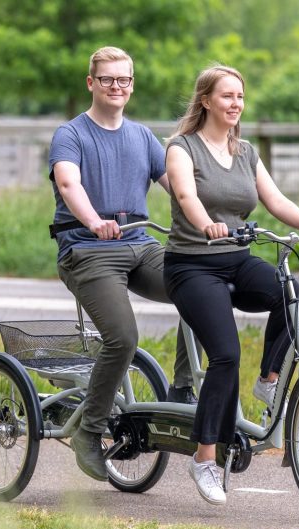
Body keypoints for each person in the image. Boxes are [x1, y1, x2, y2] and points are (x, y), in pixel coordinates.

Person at [163, 65, 299, 505]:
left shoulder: (245, 152)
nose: (236, 103)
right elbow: (186, 197)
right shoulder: (182, 149)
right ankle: (204, 459)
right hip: (192, 265)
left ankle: (270, 377)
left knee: (288, 291)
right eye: (227, 96)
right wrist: (207, 225)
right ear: (206, 100)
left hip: (236, 259)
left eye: (240, 96)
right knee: (225, 355)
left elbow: (275, 200)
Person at [48, 46, 198, 482]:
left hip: (138, 245)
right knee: (123, 337)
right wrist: (95, 221)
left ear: (132, 84)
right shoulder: (70, 134)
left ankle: (184, 388)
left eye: (125, 80)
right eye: (109, 79)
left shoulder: (143, 137)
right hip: (87, 250)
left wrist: (211, 220)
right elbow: (68, 182)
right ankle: (88, 433)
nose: (117, 87)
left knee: (200, 286)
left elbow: (179, 187)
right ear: (91, 83)